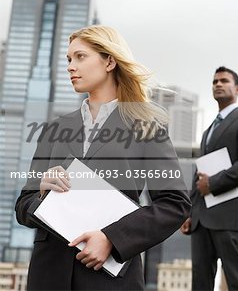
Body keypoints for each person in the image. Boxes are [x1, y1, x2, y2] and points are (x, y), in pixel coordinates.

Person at [15, 25, 191, 290]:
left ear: (109, 61)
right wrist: (41, 192)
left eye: (80, 57)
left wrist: (112, 239)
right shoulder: (54, 129)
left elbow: (175, 204)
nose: (70, 66)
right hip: (48, 275)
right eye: (69, 59)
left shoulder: (146, 127)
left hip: (108, 277)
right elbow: (23, 206)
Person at [180, 67, 238, 291]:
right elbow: (199, 174)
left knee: (236, 281)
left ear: (237, 89)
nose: (218, 84)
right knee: (200, 283)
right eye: (215, 81)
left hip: (230, 216)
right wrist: (189, 211)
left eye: (224, 81)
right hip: (201, 219)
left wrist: (214, 183)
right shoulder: (208, 131)